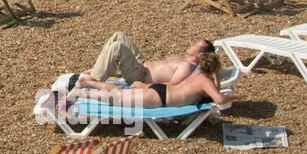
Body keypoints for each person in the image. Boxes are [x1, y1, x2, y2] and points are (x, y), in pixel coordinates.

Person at [71, 49, 230, 110]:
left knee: (118, 93)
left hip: (159, 91)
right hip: (161, 97)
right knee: (117, 97)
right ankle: (83, 93)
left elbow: (216, 94)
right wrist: (236, 96)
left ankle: (87, 83)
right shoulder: (204, 81)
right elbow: (219, 98)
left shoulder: (197, 74)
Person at [70, 34, 213, 91]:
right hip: (141, 65)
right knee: (119, 36)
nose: (192, 44)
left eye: (196, 44)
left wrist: (144, 86)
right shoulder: (183, 58)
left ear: (200, 54)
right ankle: (100, 69)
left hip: (141, 76)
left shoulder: (187, 67)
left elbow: (171, 87)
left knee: (117, 47)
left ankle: (95, 79)